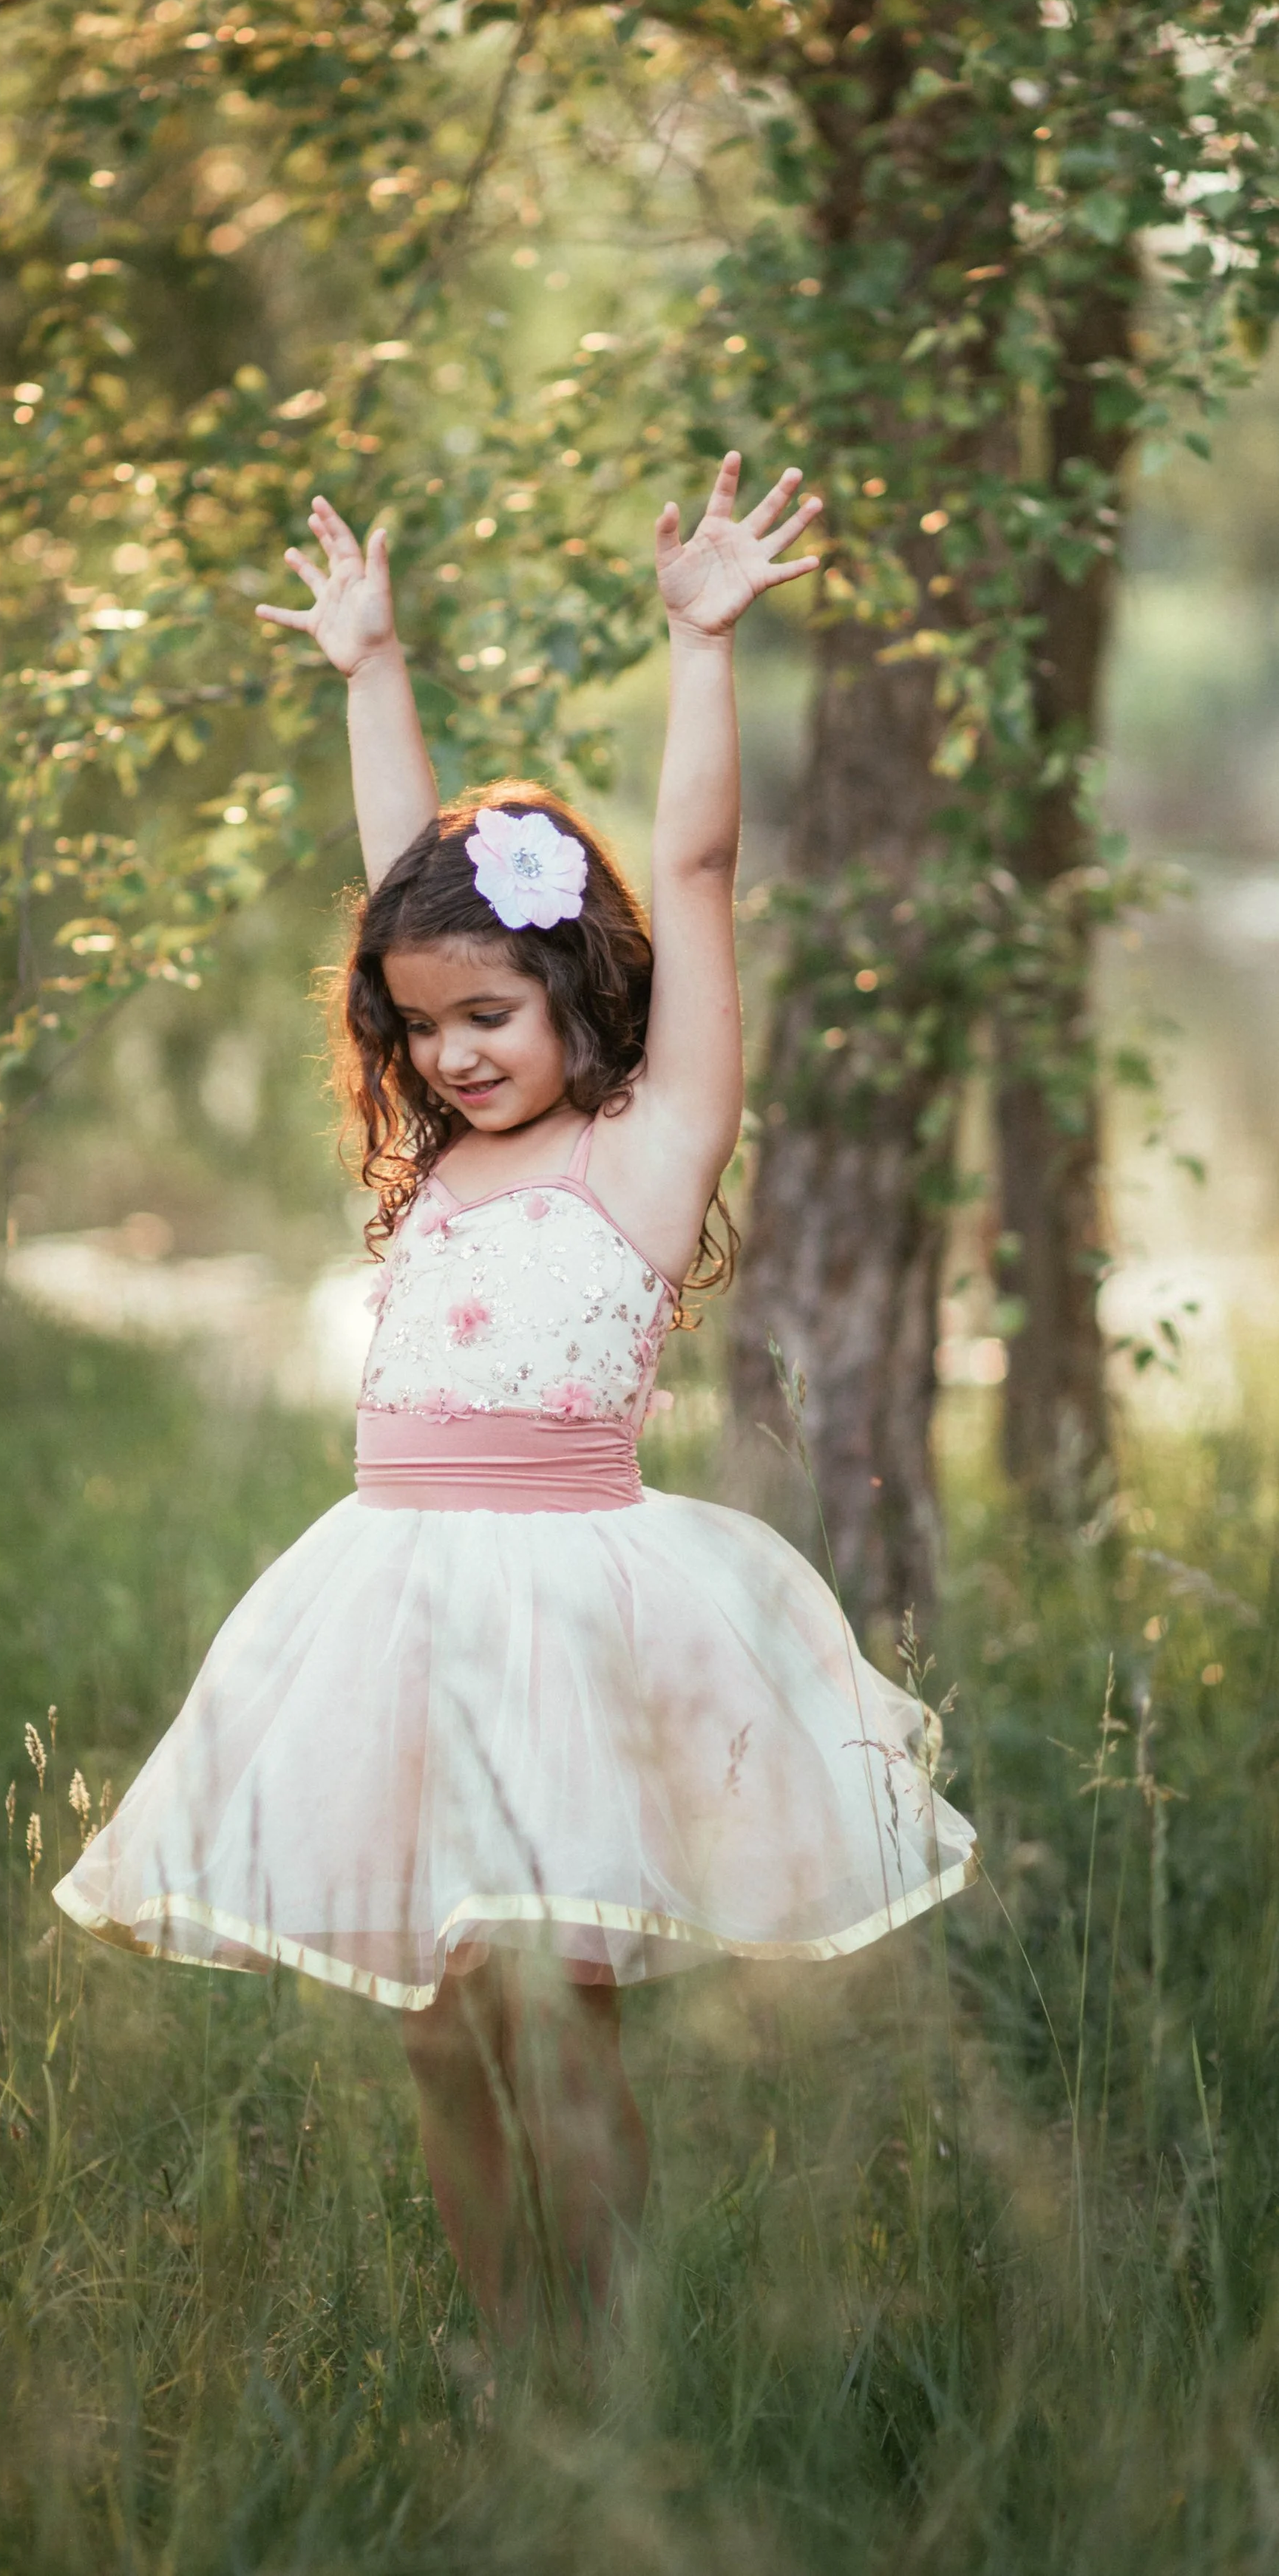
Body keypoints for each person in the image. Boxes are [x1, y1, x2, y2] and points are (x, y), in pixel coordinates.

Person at [54, 453, 977, 2343]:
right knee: (436, 2040)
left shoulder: (639, 1154)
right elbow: (403, 877)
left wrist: (699, 642)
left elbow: (700, 872)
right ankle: (510, 2362)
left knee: (550, 2027)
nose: (452, 1053)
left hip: (568, 1613)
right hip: (394, 1606)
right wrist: (367, 669)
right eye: (419, 1023)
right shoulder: (428, 1160)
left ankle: (607, 2354)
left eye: (490, 1017)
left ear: (573, 990)